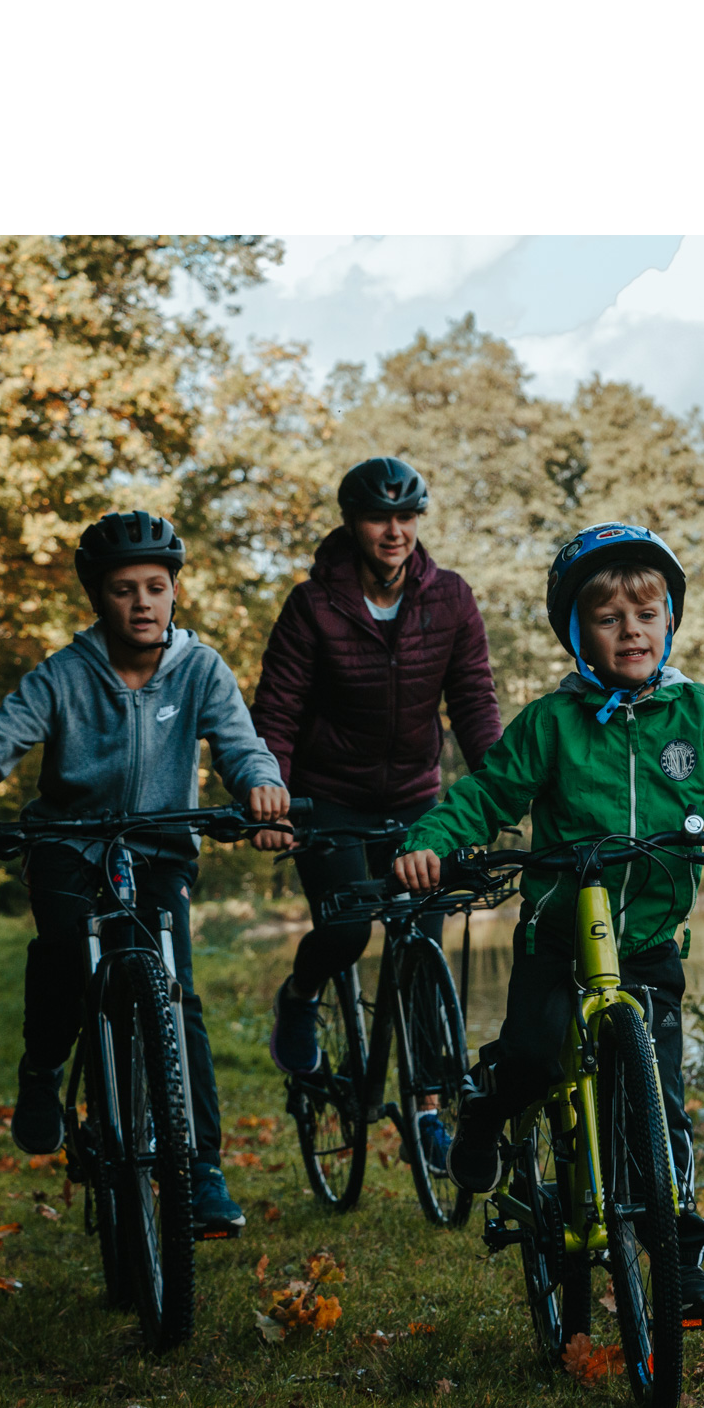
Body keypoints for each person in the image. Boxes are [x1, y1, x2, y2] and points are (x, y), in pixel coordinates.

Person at [392, 522, 704, 1318]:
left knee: (659, 1104)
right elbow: (484, 796)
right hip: (561, 937)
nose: (631, 630)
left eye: (647, 613)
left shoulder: (700, 713)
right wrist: (430, 842)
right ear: (579, 633)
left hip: (645, 944)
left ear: (670, 621)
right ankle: (489, 1104)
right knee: (536, 1054)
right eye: (609, 619)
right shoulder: (551, 724)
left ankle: (673, 1257)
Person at [0, 509, 289, 1237]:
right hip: (68, 843)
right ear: (98, 597)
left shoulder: (201, 668)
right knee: (61, 953)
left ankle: (202, 1171)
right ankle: (42, 1072)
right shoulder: (63, 674)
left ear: (174, 592)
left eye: (156, 586)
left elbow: (243, 747)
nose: (143, 602)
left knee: (177, 999)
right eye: (125, 589)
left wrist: (261, 790)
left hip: (160, 848)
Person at [250, 455, 502, 1169]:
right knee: (348, 928)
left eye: (405, 517)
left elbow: (475, 703)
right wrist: (271, 796)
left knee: (421, 946)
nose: (394, 531)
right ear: (351, 523)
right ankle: (300, 994)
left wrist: (504, 786)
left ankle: (426, 1114)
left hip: (418, 799)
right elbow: (279, 711)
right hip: (329, 799)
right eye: (378, 518)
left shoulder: (449, 598)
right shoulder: (314, 606)